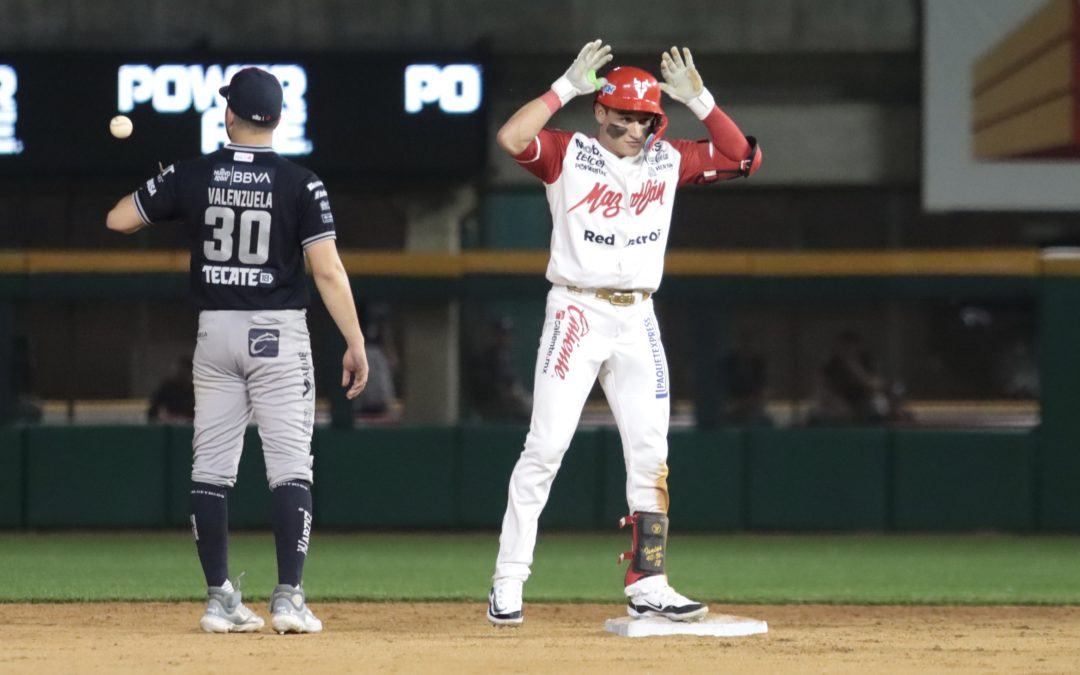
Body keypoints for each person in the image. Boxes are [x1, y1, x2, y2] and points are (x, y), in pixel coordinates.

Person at [486, 40, 761, 626]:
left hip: (637, 316)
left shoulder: (668, 157)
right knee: (546, 447)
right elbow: (511, 139)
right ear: (602, 112)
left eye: (646, 118)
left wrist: (700, 99)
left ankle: (649, 582)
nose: (636, 127)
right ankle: (508, 580)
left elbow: (743, 158)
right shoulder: (568, 152)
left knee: (651, 455)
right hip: (576, 312)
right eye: (626, 115)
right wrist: (564, 85)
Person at [106, 67, 369, 635]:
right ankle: (287, 599)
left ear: (229, 114)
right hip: (277, 333)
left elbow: (119, 219)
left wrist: (168, 185)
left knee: (211, 468)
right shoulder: (303, 183)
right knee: (290, 467)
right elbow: (325, 269)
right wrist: (354, 339)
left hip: (215, 333)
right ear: (276, 118)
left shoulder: (193, 175)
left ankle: (219, 598)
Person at [467, 316, 532, 423]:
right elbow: (486, 388)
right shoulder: (485, 358)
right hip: (491, 405)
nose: (504, 338)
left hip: (509, 403)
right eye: (500, 334)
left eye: (506, 334)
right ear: (492, 335)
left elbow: (511, 384)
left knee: (535, 407)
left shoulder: (503, 356)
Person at [147, 355, 196, 423]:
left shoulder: (194, 390)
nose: (181, 373)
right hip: (170, 425)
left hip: (189, 425)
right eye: (179, 370)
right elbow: (153, 411)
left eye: (184, 371)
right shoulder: (167, 387)